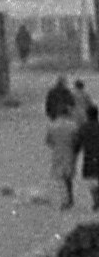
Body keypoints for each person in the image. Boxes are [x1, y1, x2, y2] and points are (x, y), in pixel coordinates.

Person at [53, 76, 84, 207]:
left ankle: (65, 200)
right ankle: (69, 197)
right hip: (70, 152)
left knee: (60, 176)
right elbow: (77, 140)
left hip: (58, 152)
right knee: (69, 175)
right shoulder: (73, 126)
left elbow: (49, 140)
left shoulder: (54, 126)